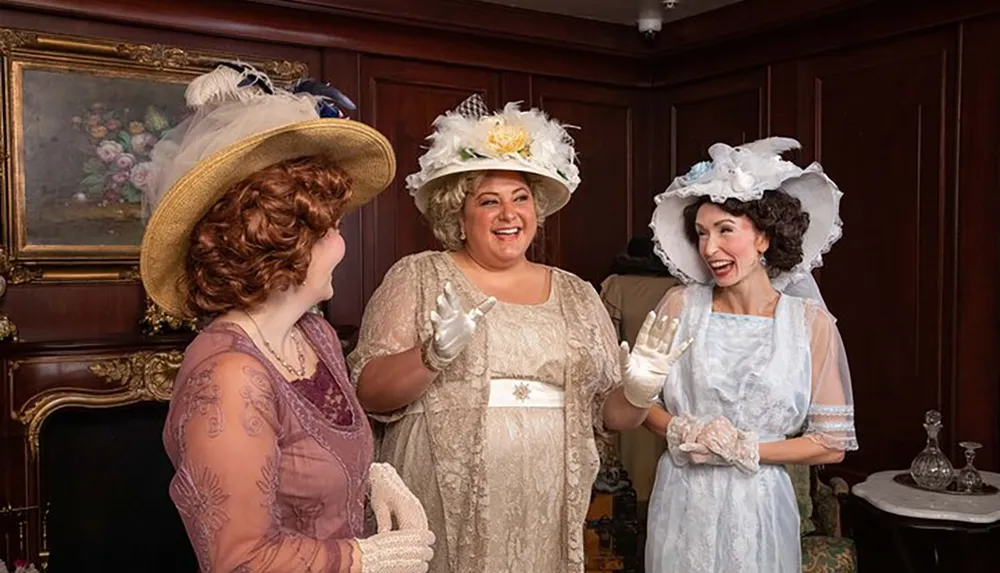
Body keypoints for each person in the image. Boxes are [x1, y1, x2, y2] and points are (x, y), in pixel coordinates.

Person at [347, 94, 686, 573]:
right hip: (444, 492)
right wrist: (430, 355)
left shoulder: (576, 292)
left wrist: (637, 390)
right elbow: (368, 392)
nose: (509, 215)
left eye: (520, 198)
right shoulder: (418, 276)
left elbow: (611, 415)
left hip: (546, 497)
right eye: (489, 201)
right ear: (457, 216)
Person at [140, 62, 435, 572]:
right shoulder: (229, 377)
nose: (343, 246)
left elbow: (309, 471)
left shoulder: (313, 335)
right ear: (283, 246)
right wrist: (361, 558)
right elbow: (238, 561)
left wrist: (373, 474)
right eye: (332, 230)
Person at [642, 137, 858, 573]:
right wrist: (683, 428)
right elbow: (640, 401)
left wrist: (745, 448)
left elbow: (831, 445)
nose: (709, 249)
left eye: (725, 230)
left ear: (763, 237)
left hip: (760, 506)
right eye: (701, 234)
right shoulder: (679, 306)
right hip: (683, 498)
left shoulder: (809, 324)